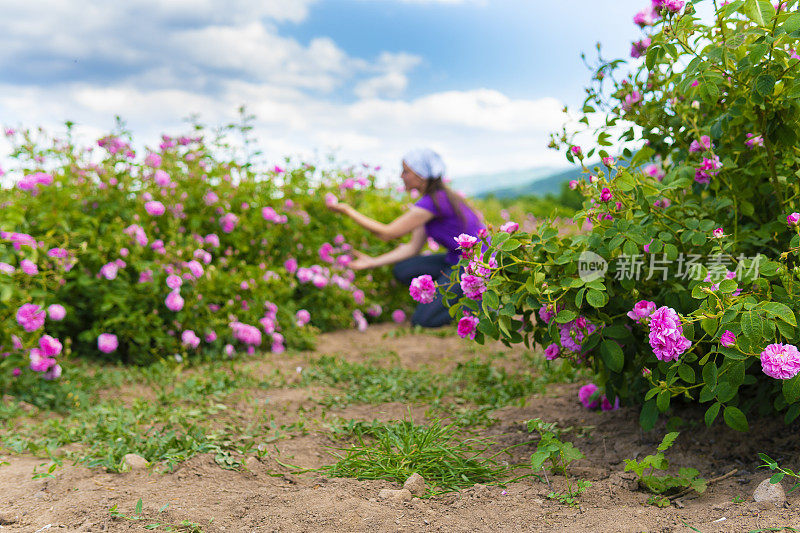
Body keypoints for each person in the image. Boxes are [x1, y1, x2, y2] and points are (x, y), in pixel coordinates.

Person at [327, 148, 486, 327]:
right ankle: (454, 295)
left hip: (475, 265)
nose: (402, 176)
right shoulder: (432, 201)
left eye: (406, 171)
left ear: (421, 176)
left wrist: (348, 211)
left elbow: (387, 233)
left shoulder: (434, 201)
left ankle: (475, 306)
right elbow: (412, 248)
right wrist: (372, 262)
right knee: (403, 270)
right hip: (454, 260)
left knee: (422, 321)